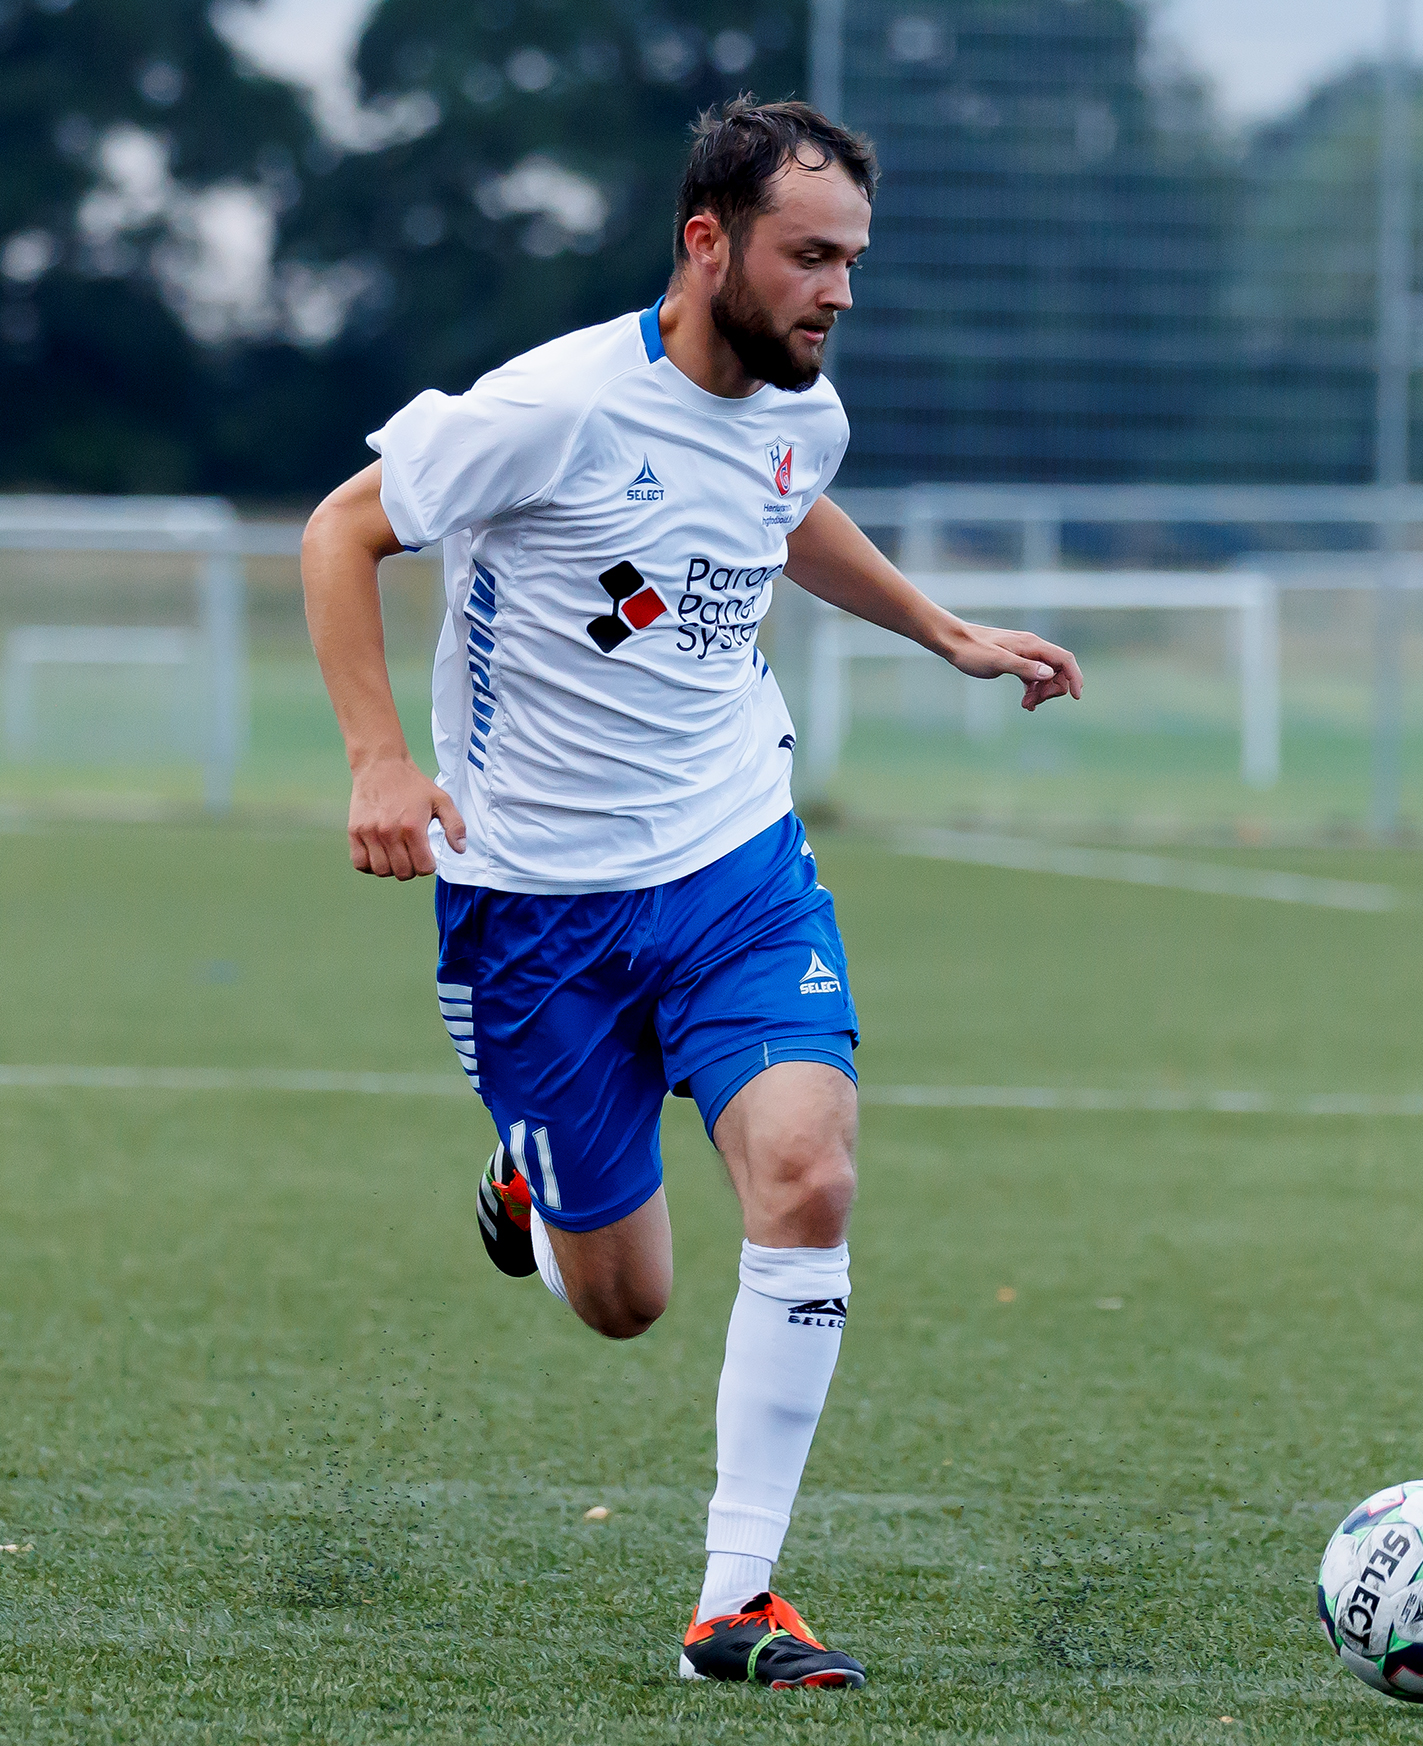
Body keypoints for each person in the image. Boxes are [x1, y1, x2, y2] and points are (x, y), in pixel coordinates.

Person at [300, 95, 1082, 1690]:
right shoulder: (549, 410)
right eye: (811, 256)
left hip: (735, 864)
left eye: (855, 261)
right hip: (532, 906)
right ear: (707, 243)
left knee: (807, 1173)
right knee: (625, 1301)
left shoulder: (811, 404)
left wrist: (946, 633)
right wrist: (381, 760)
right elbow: (340, 531)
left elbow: (779, 504)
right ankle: (536, 1181)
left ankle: (735, 1598)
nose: (839, 292)